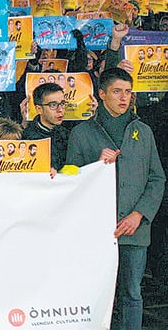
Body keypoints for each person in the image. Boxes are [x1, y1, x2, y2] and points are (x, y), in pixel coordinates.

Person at [67, 68, 165, 329]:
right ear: (101, 94)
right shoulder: (81, 133)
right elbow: (71, 181)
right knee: (99, 295)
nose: (124, 97)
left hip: (134, 229)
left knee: (132, 294)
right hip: (98, 231)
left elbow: (157, 178)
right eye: (117, 91)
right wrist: (96, 164)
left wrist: (139, 214)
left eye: (128, 92)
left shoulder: (143, 131)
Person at [21, 83, 71, 170]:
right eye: (53, 105)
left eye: (62, 103)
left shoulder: (67, 134)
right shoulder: (27, 139)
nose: (60, 110)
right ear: (39, 109)